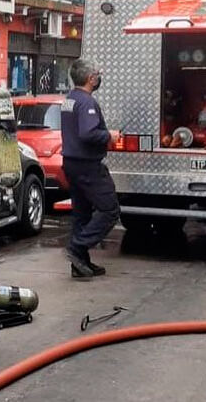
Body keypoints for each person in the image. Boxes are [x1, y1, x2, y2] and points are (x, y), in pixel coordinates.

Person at [60, 59, 122, 280]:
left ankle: (80, 264)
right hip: (88, 165)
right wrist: (109, 136)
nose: (98, 77)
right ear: (90, 79)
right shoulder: (86, 102)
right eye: (97, 74)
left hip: (71, 163)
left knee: (82, 214)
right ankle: (78, 247)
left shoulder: (70, 99)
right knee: (109, 210)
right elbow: (87, 133)